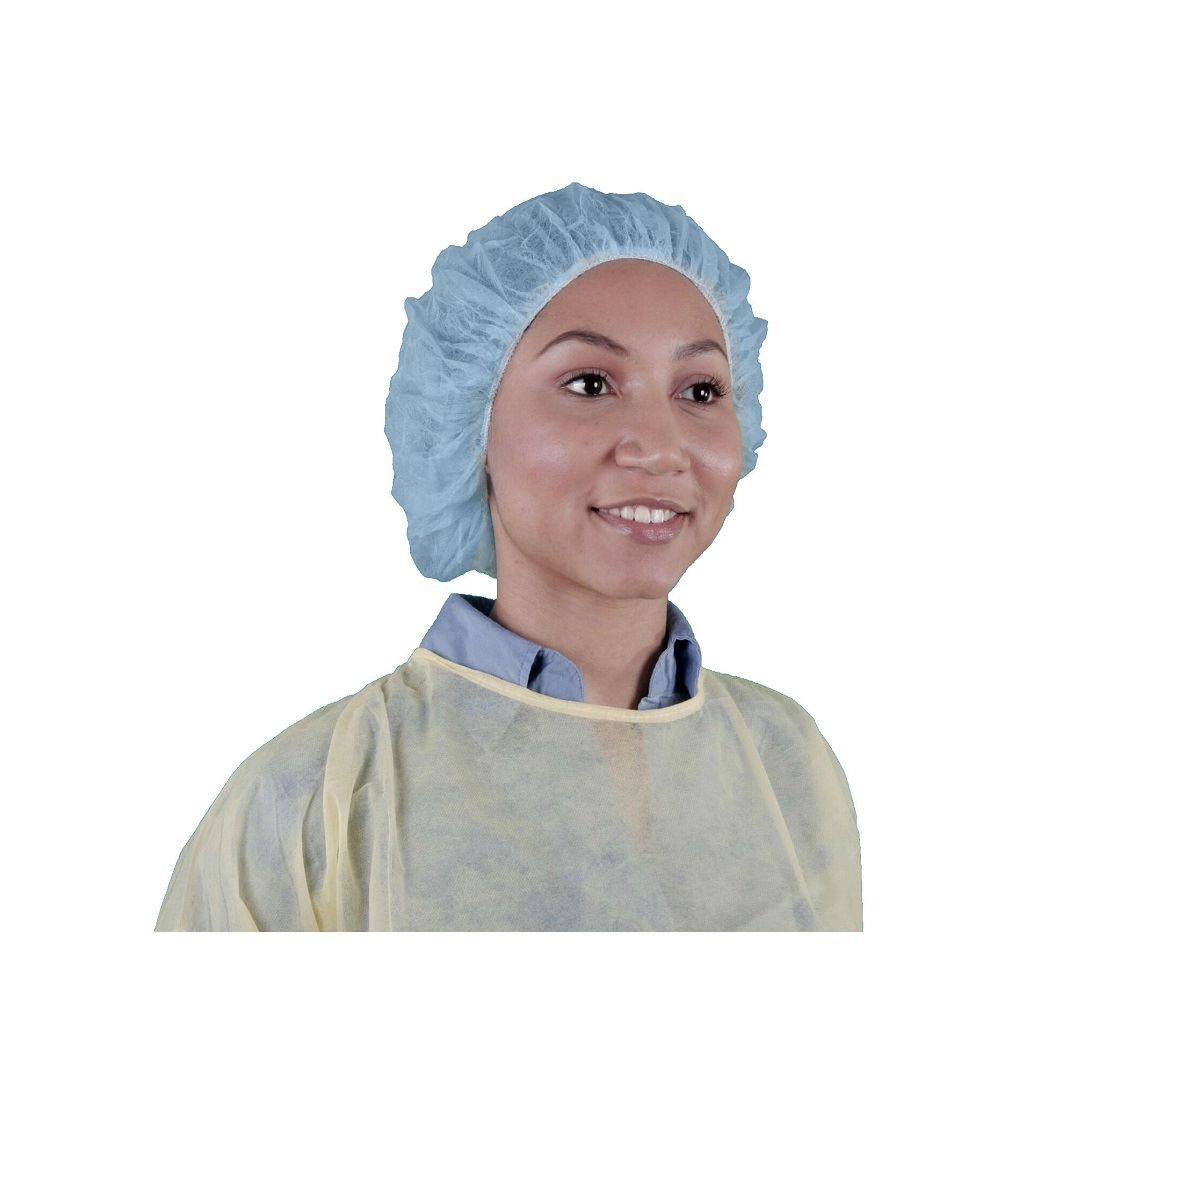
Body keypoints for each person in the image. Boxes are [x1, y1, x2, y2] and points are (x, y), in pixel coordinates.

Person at [155, 183, 863, 932]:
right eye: (590, 383)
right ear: (470, 418)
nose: (660, 448)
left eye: (701, 390)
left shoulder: (790, 763)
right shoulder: (312, 803)